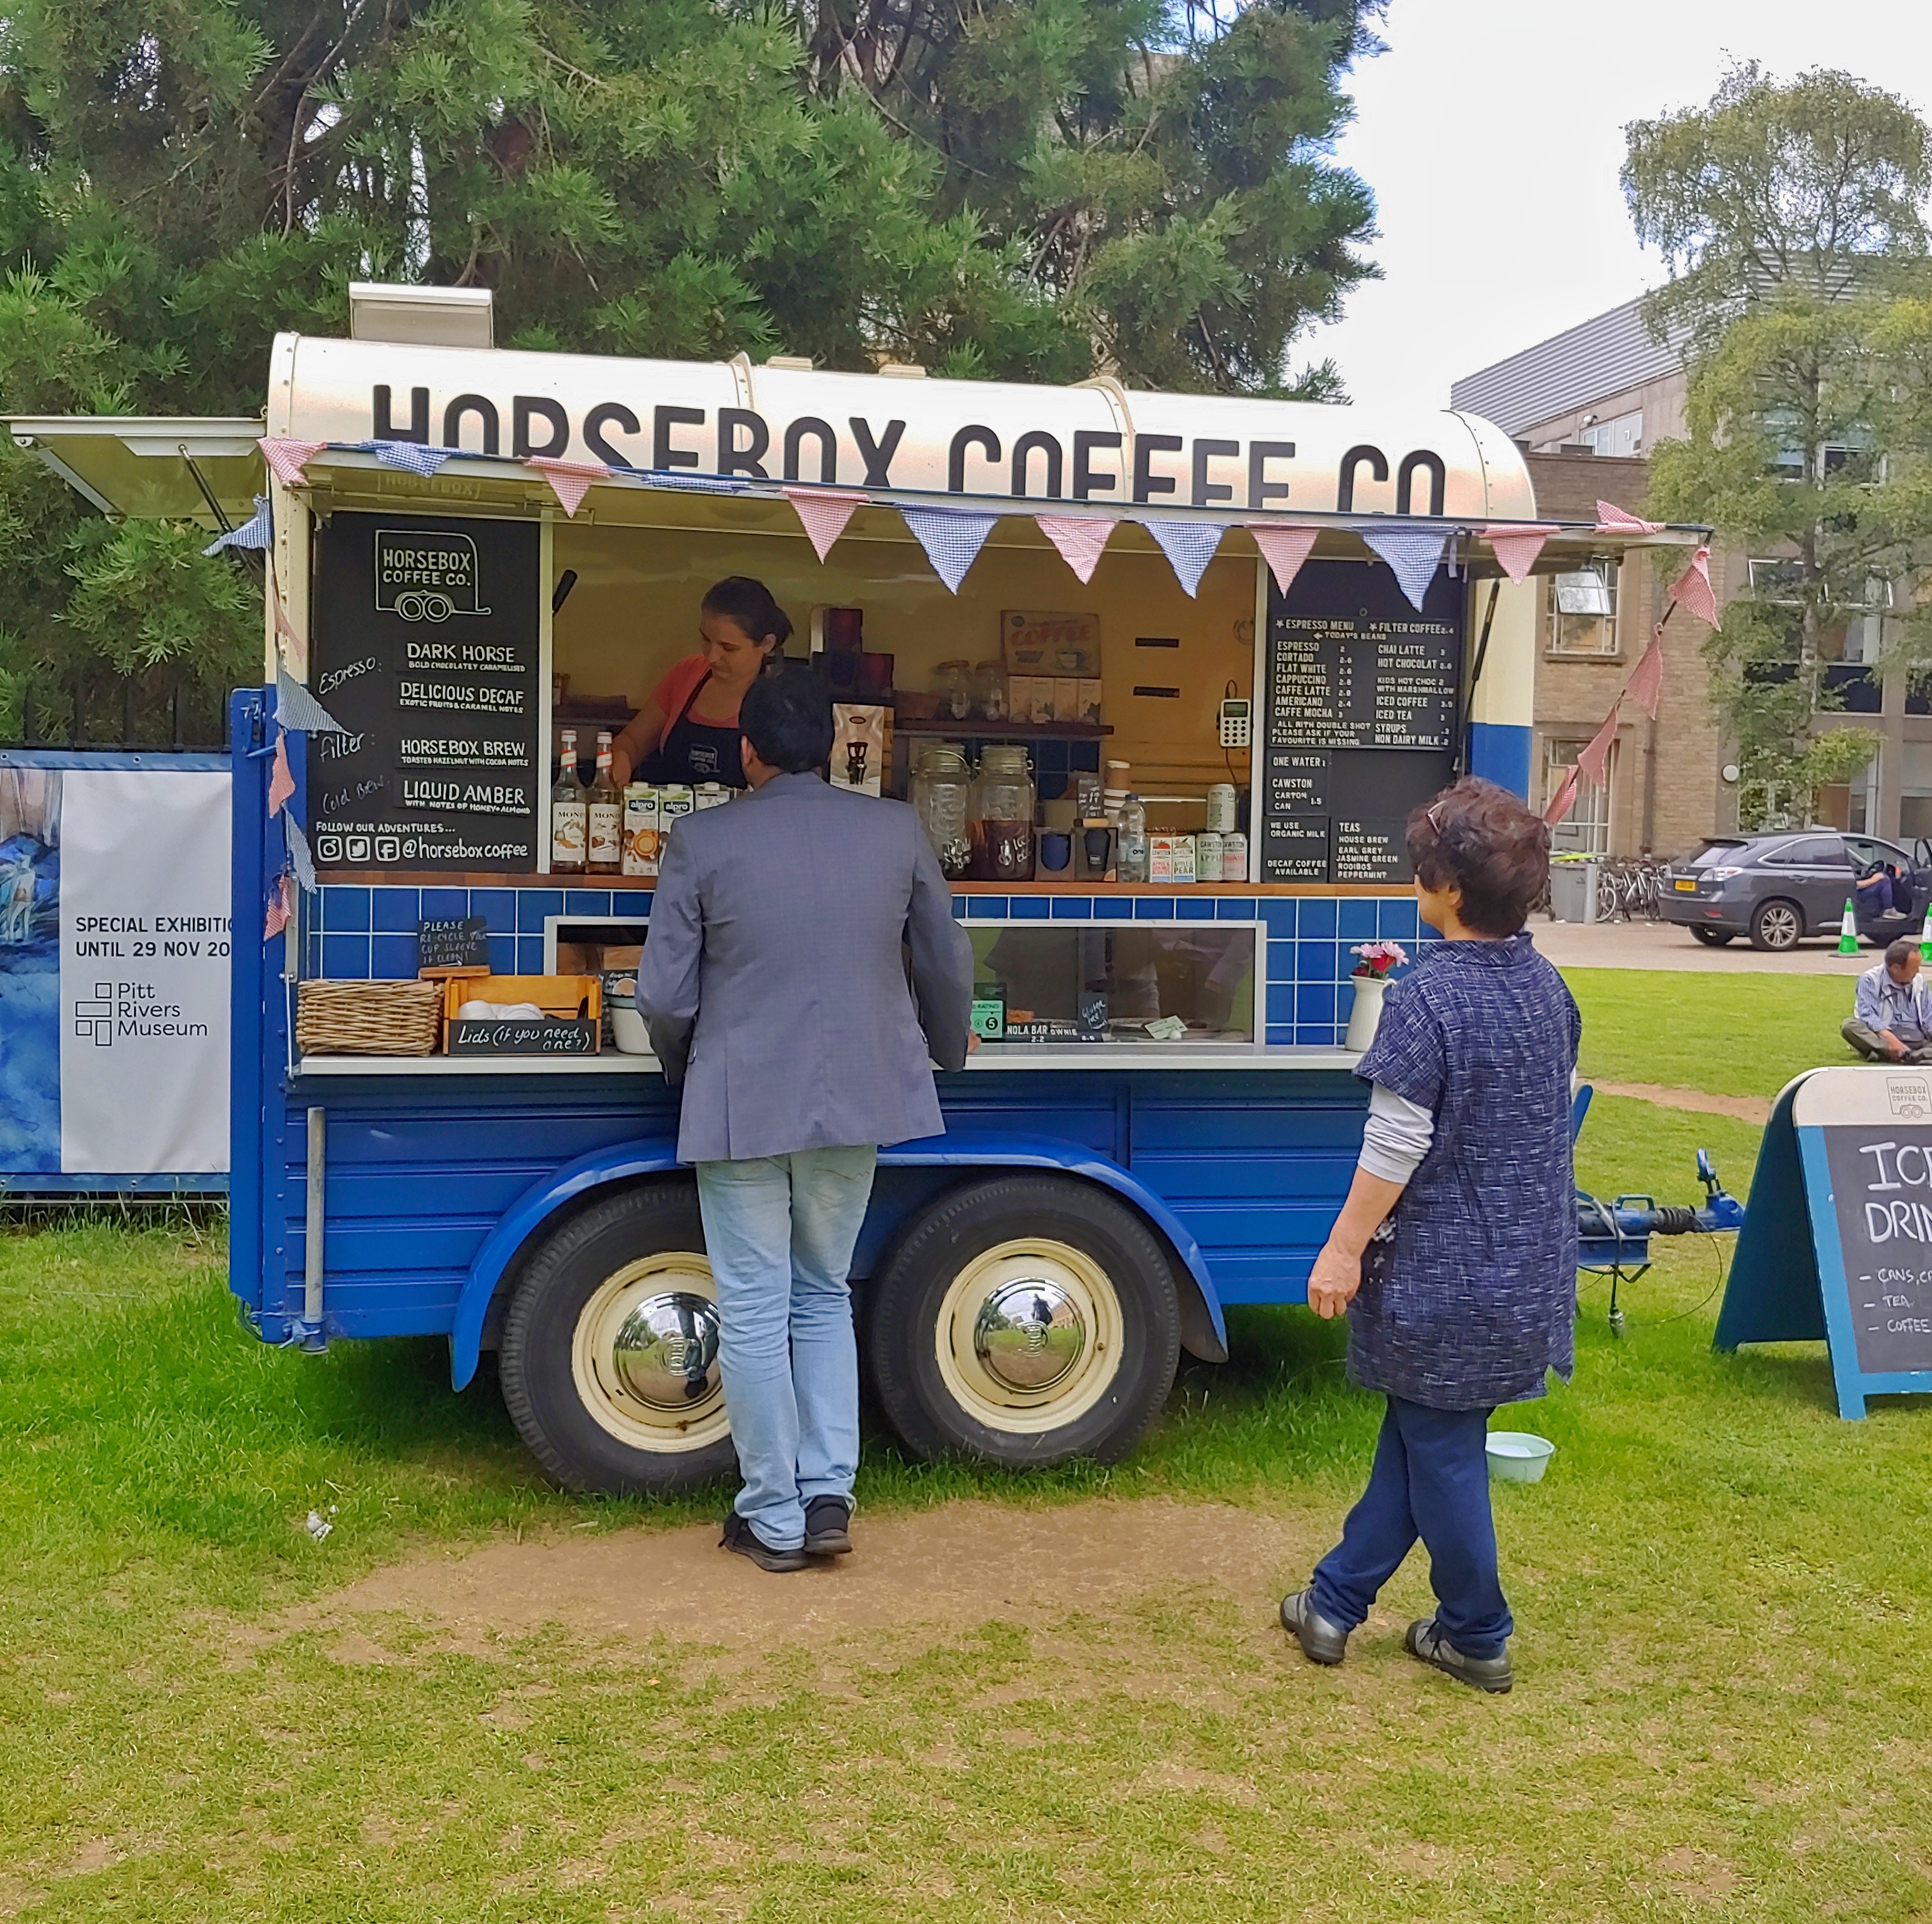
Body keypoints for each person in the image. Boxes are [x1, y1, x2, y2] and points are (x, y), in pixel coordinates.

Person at [635, 667, 975, 1573]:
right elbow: (946, 961)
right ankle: (829, 1493)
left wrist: (682, 1061)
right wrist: (948, 1052)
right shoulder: (893, 829)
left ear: (745, 750)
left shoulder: (700, 840)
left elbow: (662, 994)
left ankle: (774, 1514)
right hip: (860, 1092)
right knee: (824, 1289)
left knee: (752, 1307)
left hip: (742, 1098)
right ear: (832, 746)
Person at [1279, 777, 1578, 1696]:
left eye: (1425, 864)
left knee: (1439, 1449)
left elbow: (1396, 1141)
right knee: (1422, 1437)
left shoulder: (1425, 996)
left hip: (1447, 1277)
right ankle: (1332, 1601)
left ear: (1448, 887)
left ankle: (1476, 1631)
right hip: (1527, 1265)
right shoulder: (1549, 988)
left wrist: (1341, 1249)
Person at [610, 576, 791, 789]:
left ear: (766, 644)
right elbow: (633, 740)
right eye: (706, 640)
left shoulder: (782, 700)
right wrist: (621, 757)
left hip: (742, 821)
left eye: (728, 647)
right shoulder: (687, 674)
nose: (712, 656)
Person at [1843, 936, 1932, 1063]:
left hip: (1918, 1039)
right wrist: (1892, 1040)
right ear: (1895, 968)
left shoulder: (1920, 982)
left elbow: (1929, 1016)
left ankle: (1909, 1056)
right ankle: (1910, 1056)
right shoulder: (1870, 980)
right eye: (1914, 968)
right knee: (1850, 1026)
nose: (1918, 972)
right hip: (1885, 1040)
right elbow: (1868, 1015)